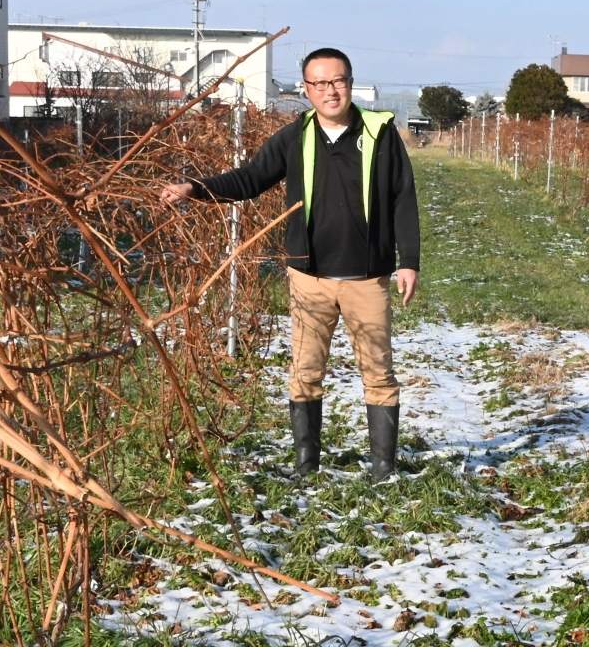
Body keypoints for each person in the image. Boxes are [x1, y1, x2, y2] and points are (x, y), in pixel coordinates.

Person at [160, 48, 420, 481]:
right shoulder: (294, 137)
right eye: (319, 84)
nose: (329, 91)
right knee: (305, 372)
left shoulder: (380, 133)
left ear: (350, 84)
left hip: (367, 278)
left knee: (378, 371)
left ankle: (382, 468)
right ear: (306, 90)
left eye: (337, 81)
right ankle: (306, 465)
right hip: (309, 278)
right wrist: (196, 188)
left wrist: (407, 261)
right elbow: (250, 178)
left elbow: (403, 199)